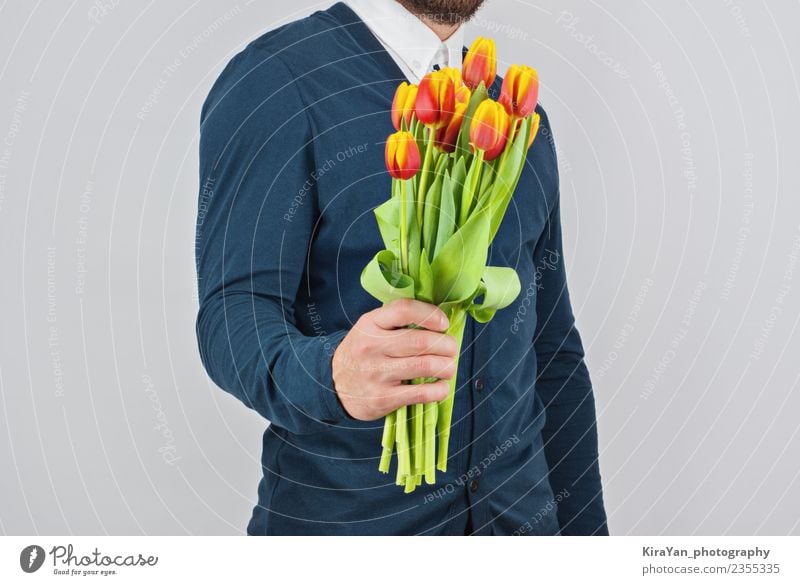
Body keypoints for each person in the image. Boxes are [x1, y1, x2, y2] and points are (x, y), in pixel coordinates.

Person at [195, 0, 609, 535]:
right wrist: (332, 376)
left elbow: (552, 350)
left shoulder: (519, 119)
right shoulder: (275, 81)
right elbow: (232, 313)